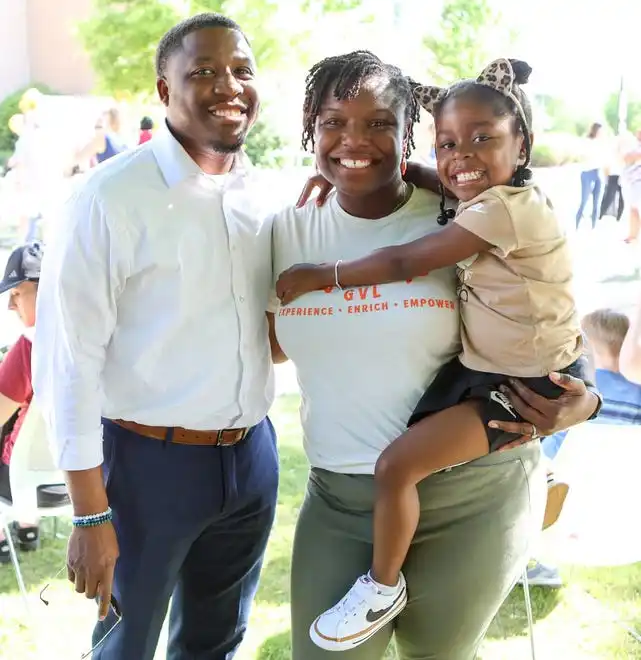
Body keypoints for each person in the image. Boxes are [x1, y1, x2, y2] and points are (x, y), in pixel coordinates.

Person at [270, 50, 601, 659]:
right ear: (310, 127)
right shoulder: (286, 227)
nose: (354, 141)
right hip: (342, 496)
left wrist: (588, 400)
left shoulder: (469, 213)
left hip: (477, 491)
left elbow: (556, 324)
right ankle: (379, 585)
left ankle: (381, 586)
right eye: (333, 123)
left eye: (378, 125)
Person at [33, 14, 284, 660]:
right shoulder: (107, 198)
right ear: (163, 89)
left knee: (216, 642)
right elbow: (67, 365)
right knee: (126, 647)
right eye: (202, 70)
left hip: (251, 457)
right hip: (146, 467)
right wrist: (91, 513)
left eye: (240, 71)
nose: (227, 85)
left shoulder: (261, 196)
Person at [526, 308, 641, 586]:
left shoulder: (579, 398)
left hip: (561, 535)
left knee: (545, 472)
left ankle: (546, 566)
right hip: (628, 535)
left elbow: (549, 457)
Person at [0, 242, 68, 563]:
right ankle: (27, 530)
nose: (11, 306)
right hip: (79, 483)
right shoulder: (96, 337)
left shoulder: (28, 346)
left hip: (22, 483)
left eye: (17, 293)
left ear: (46, 289)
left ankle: (2, 537)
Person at [575, 122, 606, 230]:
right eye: (600, 131)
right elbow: (582, 155)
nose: (601, 133)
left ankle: (593, 228)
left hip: (598, 173)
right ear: (595, 130)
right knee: (584, 201)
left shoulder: (602, 143)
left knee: (596, 203)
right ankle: (577, 226)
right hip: (587, 173)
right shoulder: (587, 142)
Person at [620, 129, 641, 243]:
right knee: (634, 209)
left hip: (638, 183)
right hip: (632, 183)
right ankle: (633, 235)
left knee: (635, 209)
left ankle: (633, 235)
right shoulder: (635, 145)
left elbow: (628, 157)